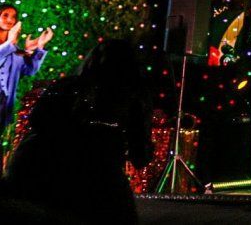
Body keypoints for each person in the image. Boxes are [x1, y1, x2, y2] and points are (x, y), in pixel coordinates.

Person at [5, 39, 152, 224]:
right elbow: (140, 153)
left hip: (36, 169)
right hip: (92, 177)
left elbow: (37, 119)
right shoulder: (132, 95)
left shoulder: (66, 86)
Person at [0, 4, 53, 134]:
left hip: (4, 107)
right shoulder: (11, 46)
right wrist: (10, 43)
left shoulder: (15, 49)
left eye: (13, 17)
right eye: (5, 15)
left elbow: (30, 70)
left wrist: (39, 48)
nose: (10, 20)